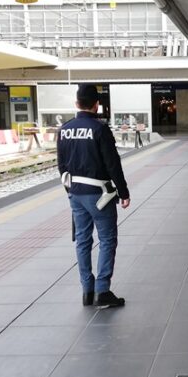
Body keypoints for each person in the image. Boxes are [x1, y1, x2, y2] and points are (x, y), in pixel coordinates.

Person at [57, 84, 130, 308]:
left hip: (76, 193)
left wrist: (72, 191)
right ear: (96, 105)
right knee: (107, 239)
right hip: (99, 194)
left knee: (83, 240)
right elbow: (112, 163)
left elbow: (61, 165)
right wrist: (123, 192)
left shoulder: (65, 129)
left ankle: (87, 291)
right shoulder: (99, 129)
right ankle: (102, 291)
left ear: (77, 103)